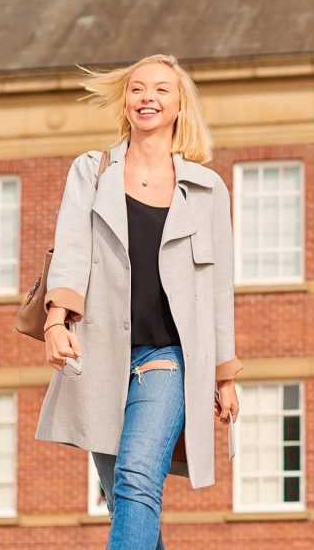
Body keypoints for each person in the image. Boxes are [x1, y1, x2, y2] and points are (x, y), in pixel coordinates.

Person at [35, 54, 241, 549]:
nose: (148, 97)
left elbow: (218, 287)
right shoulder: (92, 170)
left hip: (168, 358)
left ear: (178, 105)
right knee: (124, 495)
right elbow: (71, 247)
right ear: (125, 102)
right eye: (138, 89)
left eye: (161, 90)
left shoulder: (207, 188)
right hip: (99, 352)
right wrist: (55, 321)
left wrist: (225, 374)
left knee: (137, 479)